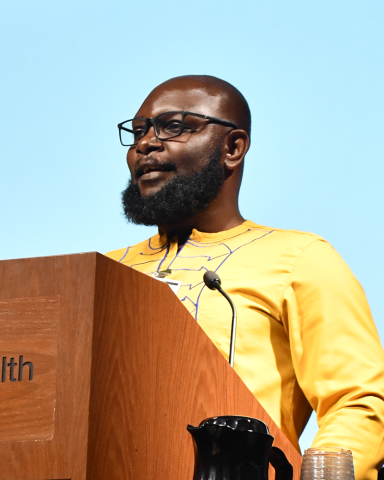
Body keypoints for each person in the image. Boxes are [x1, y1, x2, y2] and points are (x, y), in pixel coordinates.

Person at [106, 75, 384, 480]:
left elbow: (358, 403)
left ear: (232, 148)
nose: (145, 144)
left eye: (174, 126)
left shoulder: (301, 259)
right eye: (138, 131)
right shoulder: (106, 272)